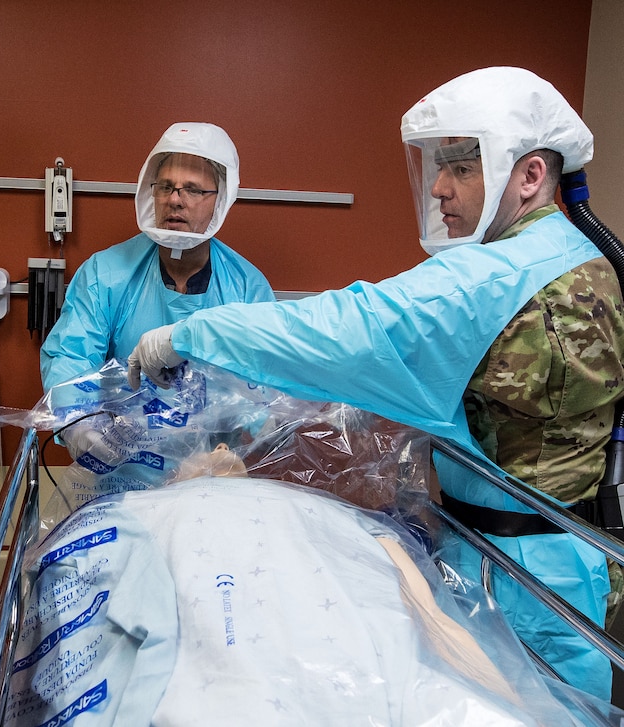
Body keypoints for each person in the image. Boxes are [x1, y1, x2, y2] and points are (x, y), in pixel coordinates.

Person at [127, 66, 624, 701]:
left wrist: (191, 334)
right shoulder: (576, 251)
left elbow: (346, 329)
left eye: (463, 168)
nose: (440, 188)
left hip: (517, 580)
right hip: (570, 564)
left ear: (529, 175)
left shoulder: (492, 279)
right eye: (437, 167)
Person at [39, 121, 275, 394]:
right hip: (122, 435)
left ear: (220, 199)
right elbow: (70, 359)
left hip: (217, 438)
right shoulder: (104, 275)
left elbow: (266, 387)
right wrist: (82, 428)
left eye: (193, 189)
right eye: (165, 187)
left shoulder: (247, 288)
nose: (175, 200)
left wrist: (258, 432)